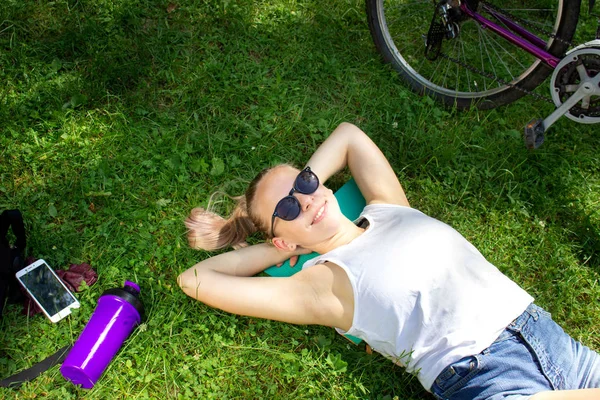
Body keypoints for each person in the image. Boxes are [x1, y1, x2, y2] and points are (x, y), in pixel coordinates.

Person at [178, 122, 600, 400]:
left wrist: (300, 199)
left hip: (551, 341)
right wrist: (279, 246)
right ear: (284, 241)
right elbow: (196, 278)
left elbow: (347, 136)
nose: (306, 201)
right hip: (487, 377)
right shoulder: (319, 286)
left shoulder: (388, 206)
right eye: (287, 210)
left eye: (305, 183)